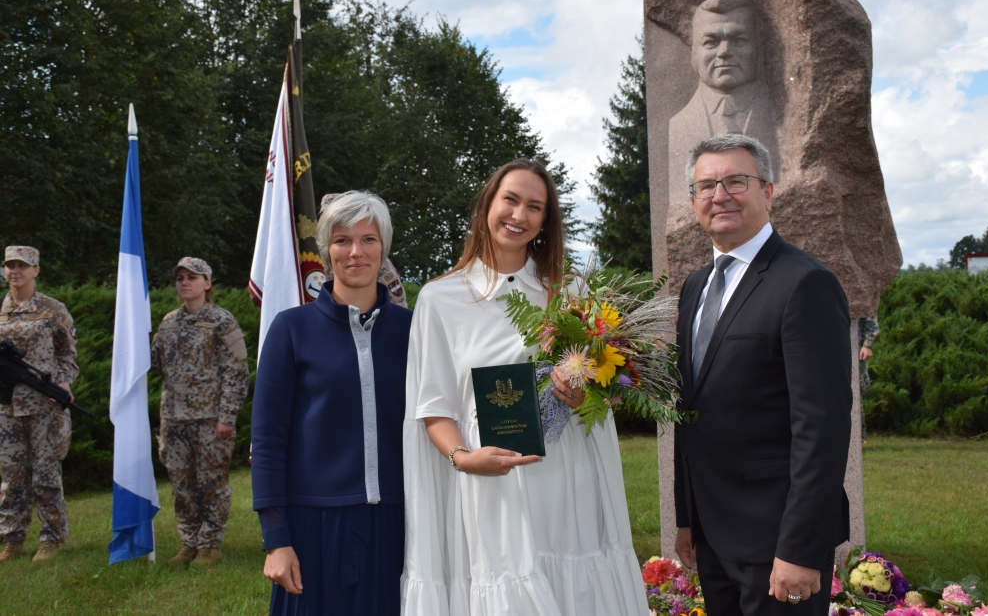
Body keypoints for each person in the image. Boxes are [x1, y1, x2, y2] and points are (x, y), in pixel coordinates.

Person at [401, 158, 648, 615]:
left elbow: (598, 387)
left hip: (565, 475)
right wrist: (464, 458)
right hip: (491, 477)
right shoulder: (440, 298)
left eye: (535, 207)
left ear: (545, 223)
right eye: (510, 200)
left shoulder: (570, 290)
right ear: (487, 205)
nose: (519, 215)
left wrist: (582, 392)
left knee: (572, 583)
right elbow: (432, 405)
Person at [673, 134, 851, 615]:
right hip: (713, 534)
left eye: (736, 181)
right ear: (693, 201)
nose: (720, 195)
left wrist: (800, 547)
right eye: (706, 185)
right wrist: (687, 519)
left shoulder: (805, 283)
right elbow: (689, 410)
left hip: (775, 538)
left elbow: (823, 429)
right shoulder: (695, 287)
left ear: (768, 191)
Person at [252, 191, 412, 615]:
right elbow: (267, 438)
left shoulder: (414, 331)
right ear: (326, 250)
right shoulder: (291, 329)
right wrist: (276, 539)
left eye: (369, 239)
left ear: (384, 248)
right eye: (342, 240)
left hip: (397, 522)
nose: (356, 251)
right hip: (313, 525)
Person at [150, 257, 249, 567]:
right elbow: (154, 365)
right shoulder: (168, 322)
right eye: (180, 278)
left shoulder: (222, 320)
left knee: (211, 485)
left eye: (192, 277)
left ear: (207, 283)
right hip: (174, 419)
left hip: (210, 420)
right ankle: (188, 542)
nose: (184, 283)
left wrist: (226, 417)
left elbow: (237, 373)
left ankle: (210, 544)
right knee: (182, 486)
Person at [0, 246, 78, 563]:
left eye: (22, 265)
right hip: (6, 410)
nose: (15, 271)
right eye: (10, 266)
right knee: (11, 477)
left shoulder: (52, 310)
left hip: (44, 407)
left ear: (36, 270)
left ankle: (51, 538)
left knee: (45, 476)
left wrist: (61, 382)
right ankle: (12, 539)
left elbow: (68, 356)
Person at [669, 0, 779, 212]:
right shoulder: (678, 125)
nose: (724, 52)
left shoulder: (784, 116)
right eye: (711, 42)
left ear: (757, 48)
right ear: (694, 53)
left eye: (738, 40)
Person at [858, 316, 879, 442]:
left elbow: (868, 313)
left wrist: (867, 344)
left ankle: (859, 436)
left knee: (856, 389)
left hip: (856, 344)